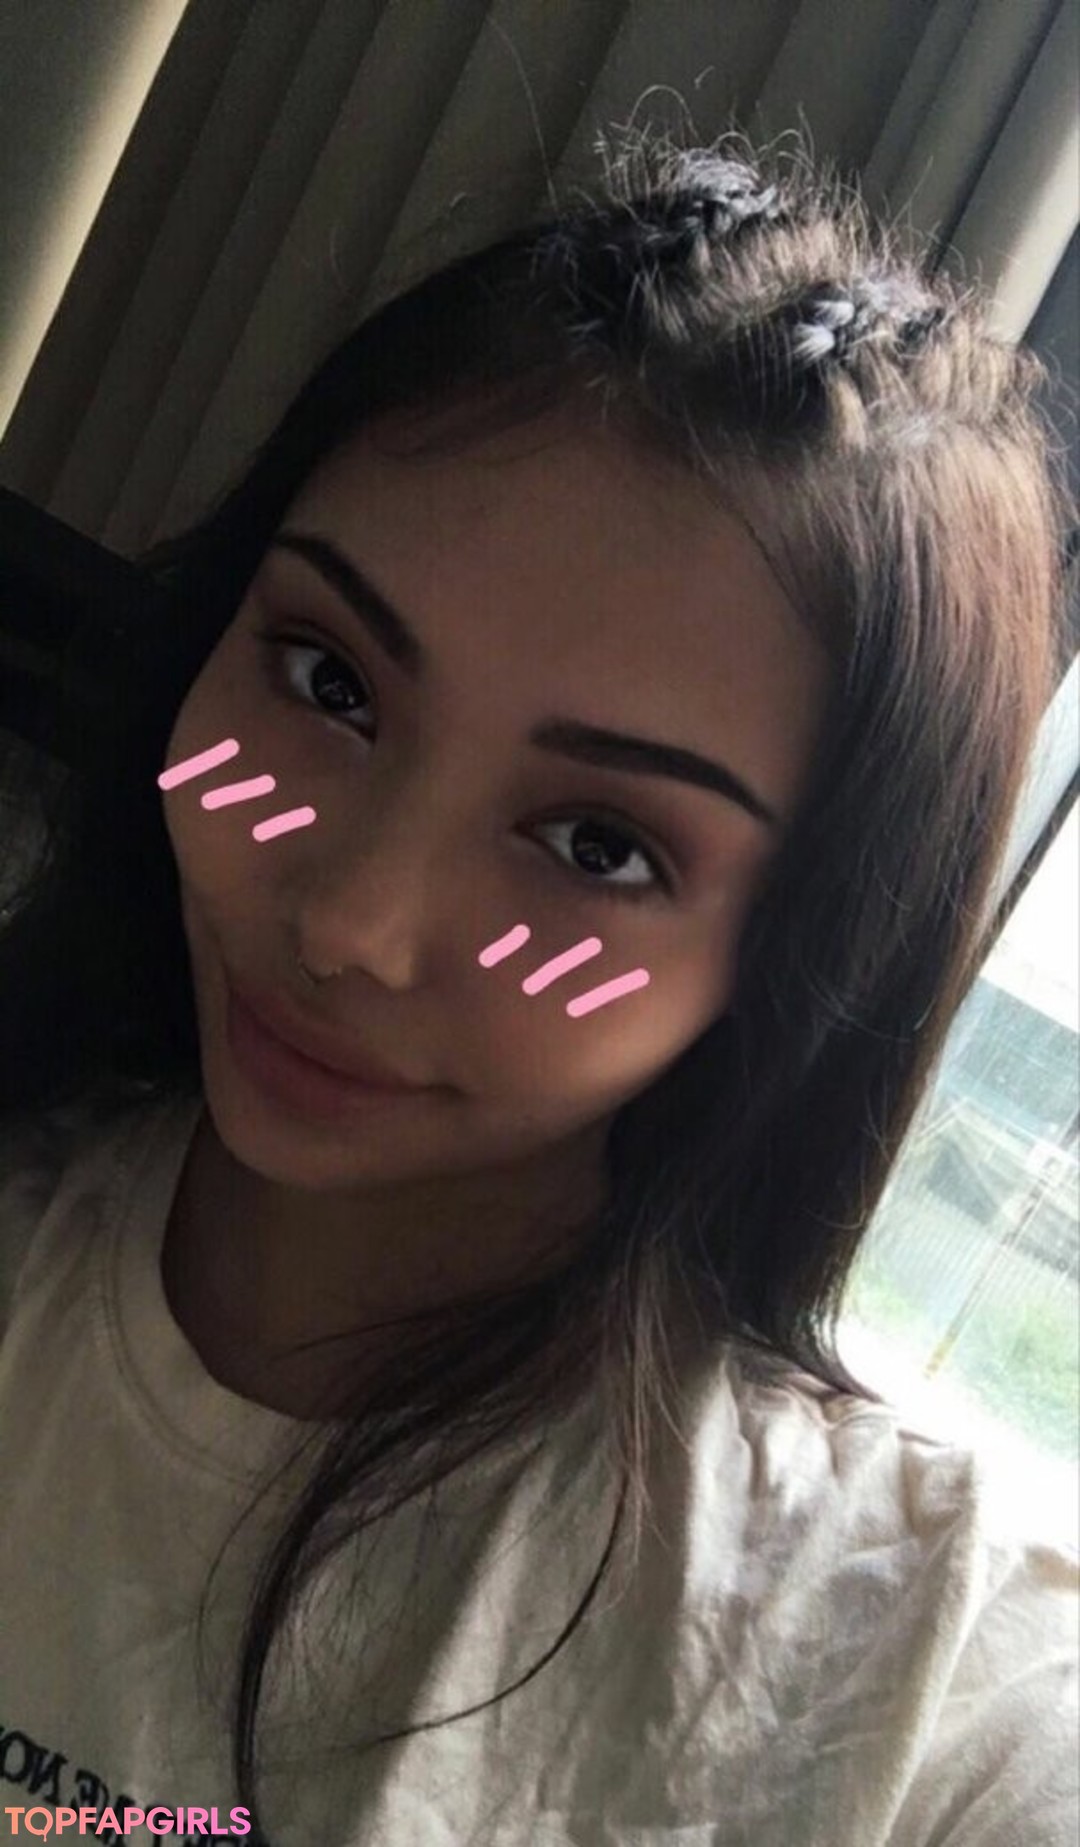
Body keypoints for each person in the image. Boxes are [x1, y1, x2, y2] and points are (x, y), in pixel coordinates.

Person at [0, 126, 1076, 1847]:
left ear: (797, 962)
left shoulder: (897, 1670)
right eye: (328, 683)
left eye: (597, 846)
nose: (354, 923)